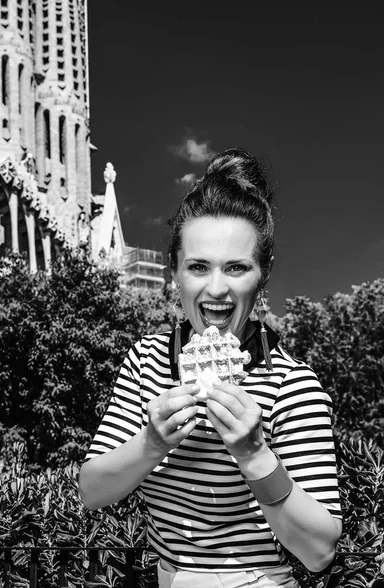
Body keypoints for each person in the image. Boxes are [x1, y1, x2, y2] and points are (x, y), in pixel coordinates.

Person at [78, 148, 342, 588]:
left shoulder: (293, 384)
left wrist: (255, 454)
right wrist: (150, 443)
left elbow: (319, 551)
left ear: (264, 273)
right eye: (198, 267)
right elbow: (91, 491)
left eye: (236, 267)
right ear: (175, 272)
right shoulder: (146, 362)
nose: (216, 289)